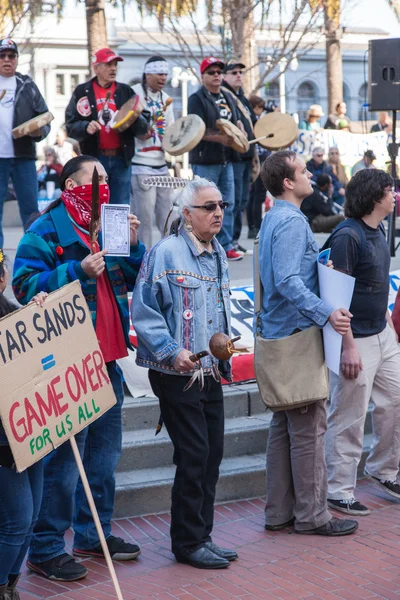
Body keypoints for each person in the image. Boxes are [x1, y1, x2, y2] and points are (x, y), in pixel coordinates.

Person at [12, 155, 146, 582]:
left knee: (104, 460)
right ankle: (46, 548)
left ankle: (94, 535)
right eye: (97, 178)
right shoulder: (45, 229)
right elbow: (23, 285)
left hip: (107, 358)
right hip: (72, 361)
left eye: (108, 178)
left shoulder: (107, 221)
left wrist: (132, 246)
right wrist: (76, 270)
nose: (105, 184)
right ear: (71, 183)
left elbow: (127, 275)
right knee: (64, 466)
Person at [132, 179, 238, 569]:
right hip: (175, 373)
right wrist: (170, 351)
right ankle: (187, 542)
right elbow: (144, 311)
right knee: (194, 454)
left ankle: (202, 535)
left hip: (209, 370)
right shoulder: (166, 252)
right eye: (209, 207)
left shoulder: (219, 254)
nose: (218, 212)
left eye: (221, 205)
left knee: (212, 455)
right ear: (187, 214)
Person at [255, 150, 358, 537]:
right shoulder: (291, 221)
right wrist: (325, 311)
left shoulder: (274, 219)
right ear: (287, 182)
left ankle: (278, 512)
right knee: (308, 428)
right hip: (296, 334)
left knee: (284, 424)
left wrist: (317, 270)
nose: (310, 175)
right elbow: (285, 280)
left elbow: (284, 276)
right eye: (303, 171)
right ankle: (313, 515)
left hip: (281, 332)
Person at [325, 169, 400, 516]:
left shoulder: (379, 227)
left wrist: (385, 317)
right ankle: (338, 489)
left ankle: (384, 470)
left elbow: (374, 281)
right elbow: (336, 297)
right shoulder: (347, 237)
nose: (394, 195)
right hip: (356, 340)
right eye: (389, 190)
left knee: (395, 400)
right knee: (348, 416)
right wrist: (348, 346)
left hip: (382, 334)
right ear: (374, 197)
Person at [0, 253, 47, 600]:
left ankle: (11, 587)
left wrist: (38, 312)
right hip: (4, 441)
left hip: (31, 429)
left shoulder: (8, 312)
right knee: (17, 521)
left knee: (28, 520)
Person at [65, 47, 150, 205]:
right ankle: (95, 231)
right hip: (93, 158)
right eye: (108, 64)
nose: (113, 68)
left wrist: (134, 117)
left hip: (121, 158)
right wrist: (85, 127)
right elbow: (70, 126)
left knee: (120, 205)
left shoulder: (125, 91)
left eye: (115, 65)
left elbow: (143, 128)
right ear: (96, 68)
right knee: (94, 204)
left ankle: (117, 231)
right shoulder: (82, 91)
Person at [188, 56, 243, 261]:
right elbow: (194, 130)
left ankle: (226, 245)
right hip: (205, 159)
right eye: (212, 72)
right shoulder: (197, 98)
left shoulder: (227, 97)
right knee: (204, 204)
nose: (217, 76)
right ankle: (202, 242)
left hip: (226, 158)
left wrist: (239, 132)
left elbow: (235, 122)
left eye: (219, 72)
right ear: (203, 76)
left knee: (227, 203)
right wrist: (221, 138)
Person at [0, 38, 51, 248]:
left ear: (17, 59)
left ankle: (33, 256)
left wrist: (38, 131)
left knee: (30, 211)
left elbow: (45, 118)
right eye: (2, 56)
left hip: (24, 158)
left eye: (11, 56)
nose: (6, 60)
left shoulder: (28, 85)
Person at [130, 55, 175, 249]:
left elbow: (171, 131)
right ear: (147, 74)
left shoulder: (167, 99)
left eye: (165, 73)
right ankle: (143, 260)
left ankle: (168, 256)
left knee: (167, 217)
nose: (163, 77)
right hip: (141, 164)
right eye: (159, 73)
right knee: (143, 219)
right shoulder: (134, 94)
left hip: (161, 164)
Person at [222, 60, 256, 252]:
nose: (238, 75)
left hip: (245, 156)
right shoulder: (226, 96)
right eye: (233, 72)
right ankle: (229, 241)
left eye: (240, 72)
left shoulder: (241, 97)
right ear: (225, 76)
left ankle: (234, 239)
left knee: (242, 200)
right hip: (234, 156)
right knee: (232, 202)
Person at [246, 95, 270, 239]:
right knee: (258, 194)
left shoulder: (252, 121)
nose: (262, 111)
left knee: (254, 195)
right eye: (260, 108)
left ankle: (253, 225)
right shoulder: (255, 122)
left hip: (257, 158)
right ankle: (254, 225)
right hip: (258, 159)